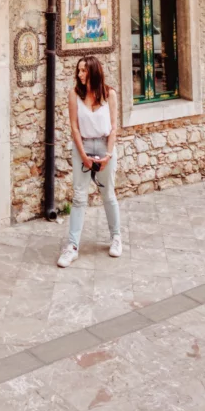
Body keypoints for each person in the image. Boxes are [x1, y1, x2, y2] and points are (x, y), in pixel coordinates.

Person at [58, 56, 121, 267]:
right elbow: (74, 127)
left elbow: (113, 127)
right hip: (82, 145)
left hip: (105, 145)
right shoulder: (75, 94)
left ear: (94, 71)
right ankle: (72, 247)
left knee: (108, 194)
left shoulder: (109, 94)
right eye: (79, 71)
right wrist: (83, 155)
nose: (80, 74)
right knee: (79, 197)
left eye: (83, 70)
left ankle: (116, 237)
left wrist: (108, 155)